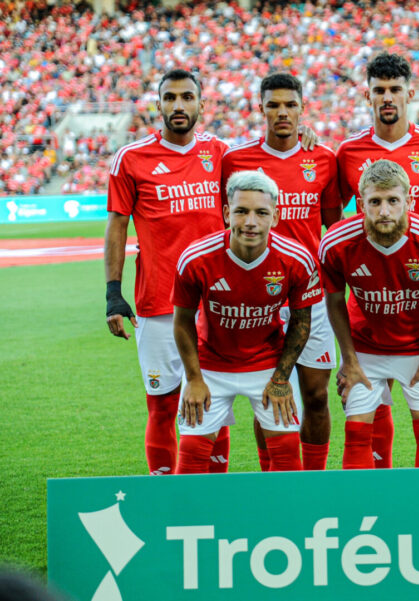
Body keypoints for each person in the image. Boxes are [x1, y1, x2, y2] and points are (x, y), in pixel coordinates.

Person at [104, 69, 231, 475]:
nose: (179, 105)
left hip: (217, 304)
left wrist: (306, 137)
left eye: (188, 97)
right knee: (161, 405)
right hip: (158, 303)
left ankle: (211, 494)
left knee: (217, 403)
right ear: (158, 105)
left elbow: (270, 159)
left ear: (202, 104)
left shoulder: (222, 153)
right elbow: (117, 225)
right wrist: (113, 291)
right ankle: (163, 497)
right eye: (171, 98)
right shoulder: (132, 158)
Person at [335, 52, 419, 466]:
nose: (387, 97)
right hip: (370, 299)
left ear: (410, 93)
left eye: (395, 90)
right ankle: (378, 475)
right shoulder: (348, 151)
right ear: (367, 95)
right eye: (379, 90)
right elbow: (333, 213)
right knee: (374, 396)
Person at [221, 72, 342, 471]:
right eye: (273, 105)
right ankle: (271, 478)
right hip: (261, 300)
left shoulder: (322, 158)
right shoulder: (235, 161)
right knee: (267, 395)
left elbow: (332, 224)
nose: (282, 112)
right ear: (260, 109)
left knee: (316, 396)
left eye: (290, 104)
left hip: (312, 297)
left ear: (302, 108)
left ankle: (315, 480)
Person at [171, 170, 323, 473]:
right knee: (189, 463)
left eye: (261, 213)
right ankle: (192, 518)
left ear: (275, 217)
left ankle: (282, 518)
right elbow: (182, 321)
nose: (250, 222)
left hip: (268, 364)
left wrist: (281, 379)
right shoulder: (196, 258)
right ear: (227, 213)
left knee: (287, 461)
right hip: (210, 366)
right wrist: (194, 379)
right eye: (241, 211)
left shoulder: (297, 259)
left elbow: (301, 322)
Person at [318, 159, 419, 469]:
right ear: (360, 203)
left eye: (393, 201)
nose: (384, 211)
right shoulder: (335, 243)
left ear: (409, 201)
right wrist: (350, 362)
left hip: (417, 346)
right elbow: (334, 301)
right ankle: (362, 508)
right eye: (375, 202)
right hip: (365, 347)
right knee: (356, 435)